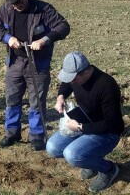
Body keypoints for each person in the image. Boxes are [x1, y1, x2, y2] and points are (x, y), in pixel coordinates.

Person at [0, 0, 70, 151]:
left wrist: (44, 40)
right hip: (15, 63)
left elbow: (64, 26)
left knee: (37, 102)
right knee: (12, 99)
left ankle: (37, 136)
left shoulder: (44, 9)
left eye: (19, 3)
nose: (16, 7)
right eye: (13, 5)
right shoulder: (6, 9)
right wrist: (7, 38)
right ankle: (12, 133)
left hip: (38, 63)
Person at [46, 51, 124, 192]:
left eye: (74, 79)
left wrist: (81, 127)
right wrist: (60, 97)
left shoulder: (106, 85)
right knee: (52, 147)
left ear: (86, 72)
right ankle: (89, 161)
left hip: (107, 132)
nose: (71, 82)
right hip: (84, 121)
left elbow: (113, 123)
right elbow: (67, 84)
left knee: (73, 155)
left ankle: (109, 170)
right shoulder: (76, 78)